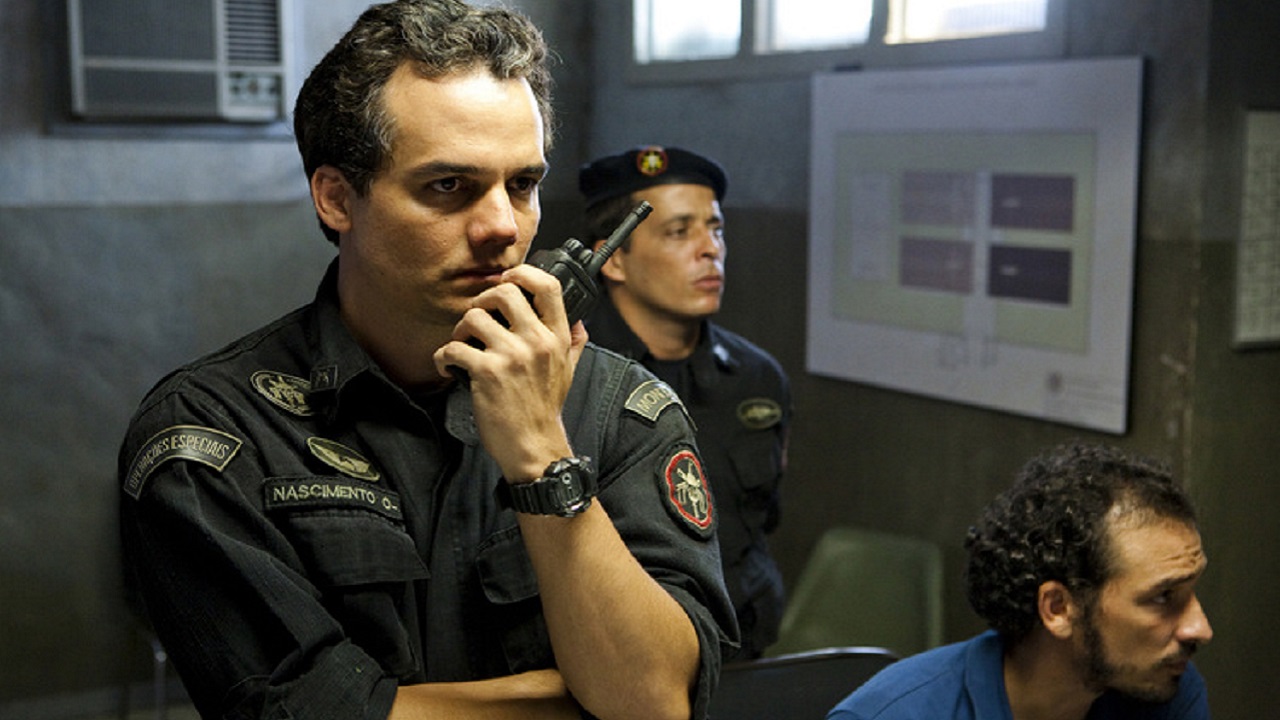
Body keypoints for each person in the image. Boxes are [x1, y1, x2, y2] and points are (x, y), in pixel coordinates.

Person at [116, 2, 736, 719]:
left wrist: (542, 456)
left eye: (522, 185)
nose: (502, 226)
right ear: (336, 198)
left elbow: (656, 700)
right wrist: (585, 703)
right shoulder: (214, 435)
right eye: (449, 187)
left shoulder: (618, 407)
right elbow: (300, 709)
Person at [577, 146, 792, 660]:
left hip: (740, 649)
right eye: (679, 232)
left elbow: (761, 522)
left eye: (716, 229)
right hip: (616, 655)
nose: (710, 249)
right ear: (615, 259)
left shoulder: (756, 378)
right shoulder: (571, 374)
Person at [826, 441, 1213, 720]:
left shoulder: (1164, 691)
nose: (1200, 628)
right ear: (1058, 608)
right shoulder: (894, 714)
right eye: (1163, 596)